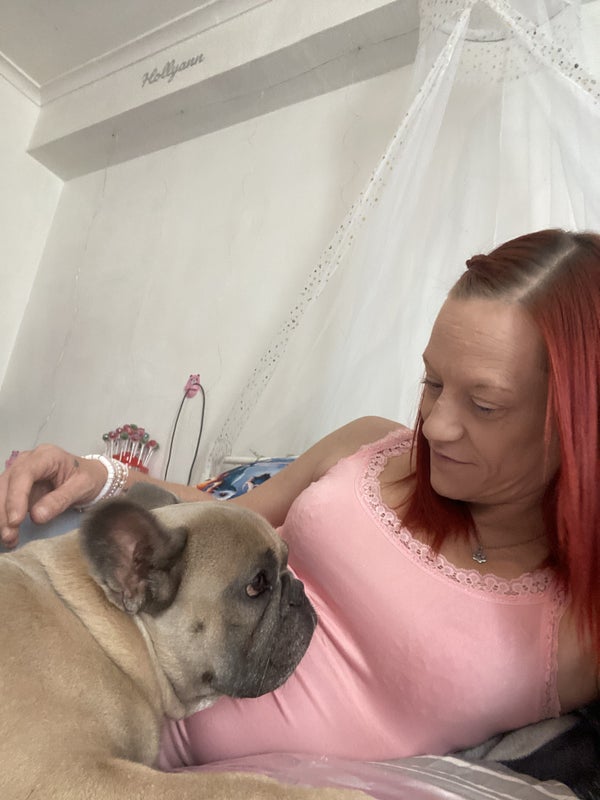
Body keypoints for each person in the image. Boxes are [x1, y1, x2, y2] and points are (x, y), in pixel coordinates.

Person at [0, 228, 599, 769]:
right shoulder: (371, 443)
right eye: (432, 382)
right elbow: (225, 521)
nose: (436, 424)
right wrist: (100, 475)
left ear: (579, 420)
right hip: (85, 683)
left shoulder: (579, 631)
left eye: (485, 404)